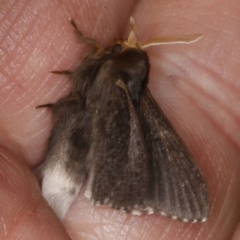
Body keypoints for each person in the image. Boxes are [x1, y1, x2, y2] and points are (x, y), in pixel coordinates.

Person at [0, 1, 239, 239]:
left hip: (67, 164)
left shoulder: (119, 84)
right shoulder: (127, 90)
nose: (116, 46)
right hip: (68, 161)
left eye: (118, 50)